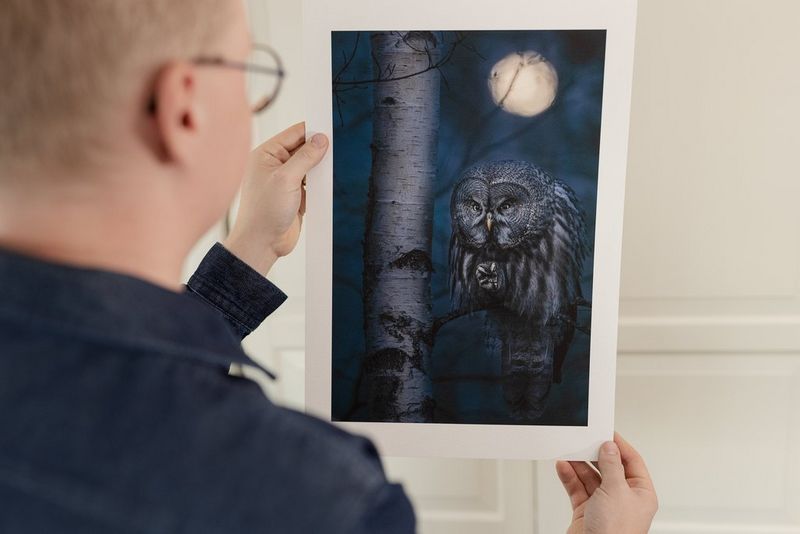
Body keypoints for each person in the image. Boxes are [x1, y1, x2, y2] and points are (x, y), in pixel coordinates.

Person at [0, 1, 657, 532]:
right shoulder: (310, 497)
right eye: (248, 72)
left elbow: (109, 390)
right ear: (184, 107)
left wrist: (246, 254)